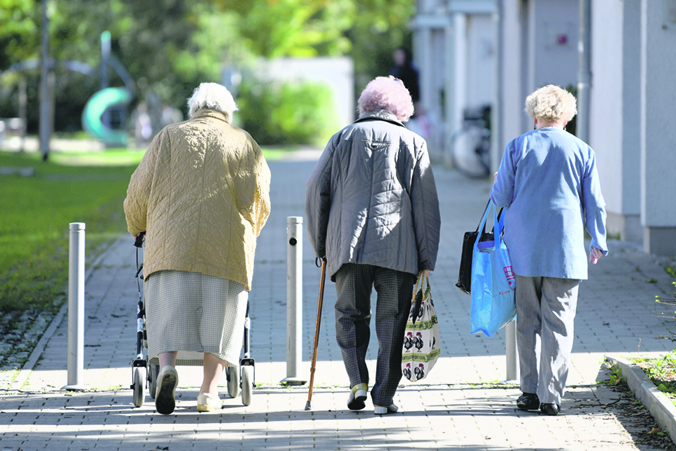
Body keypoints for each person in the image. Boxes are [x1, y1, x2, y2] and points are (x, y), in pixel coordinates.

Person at [124, 82, 271, 415]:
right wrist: (253, 230)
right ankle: (208, 392)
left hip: (170, 244)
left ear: (194, 109)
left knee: (167, 312)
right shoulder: (243, 141)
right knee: (222, 319)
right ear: (227, 111)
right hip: (226, 248)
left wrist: (137, 226)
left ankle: (167, 368)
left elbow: (139, 191)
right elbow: (259, 198)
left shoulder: (167, 137)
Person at [305, 76, 441, 415]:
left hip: (347, 248)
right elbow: (426, 207)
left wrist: (321, 245)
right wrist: (427, 257)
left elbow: (315, 192)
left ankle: (357, 382)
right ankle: (383, 396)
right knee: (393, 320)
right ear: (402, 109)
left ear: (366, 105)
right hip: (398, 250)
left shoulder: (343, 137)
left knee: (349, 315)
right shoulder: (413, 142)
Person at [490, 84, 607, 416]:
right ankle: (551, 395)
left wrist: (499, 181)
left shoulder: (518, 147)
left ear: (534, 114)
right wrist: (599, 239)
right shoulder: (582, 151)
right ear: (568, 116)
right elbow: (594, 203)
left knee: (527, 319)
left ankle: (528, 391)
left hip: (522, 249)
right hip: (565, 249)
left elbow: (499, 198)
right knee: (560, 323)